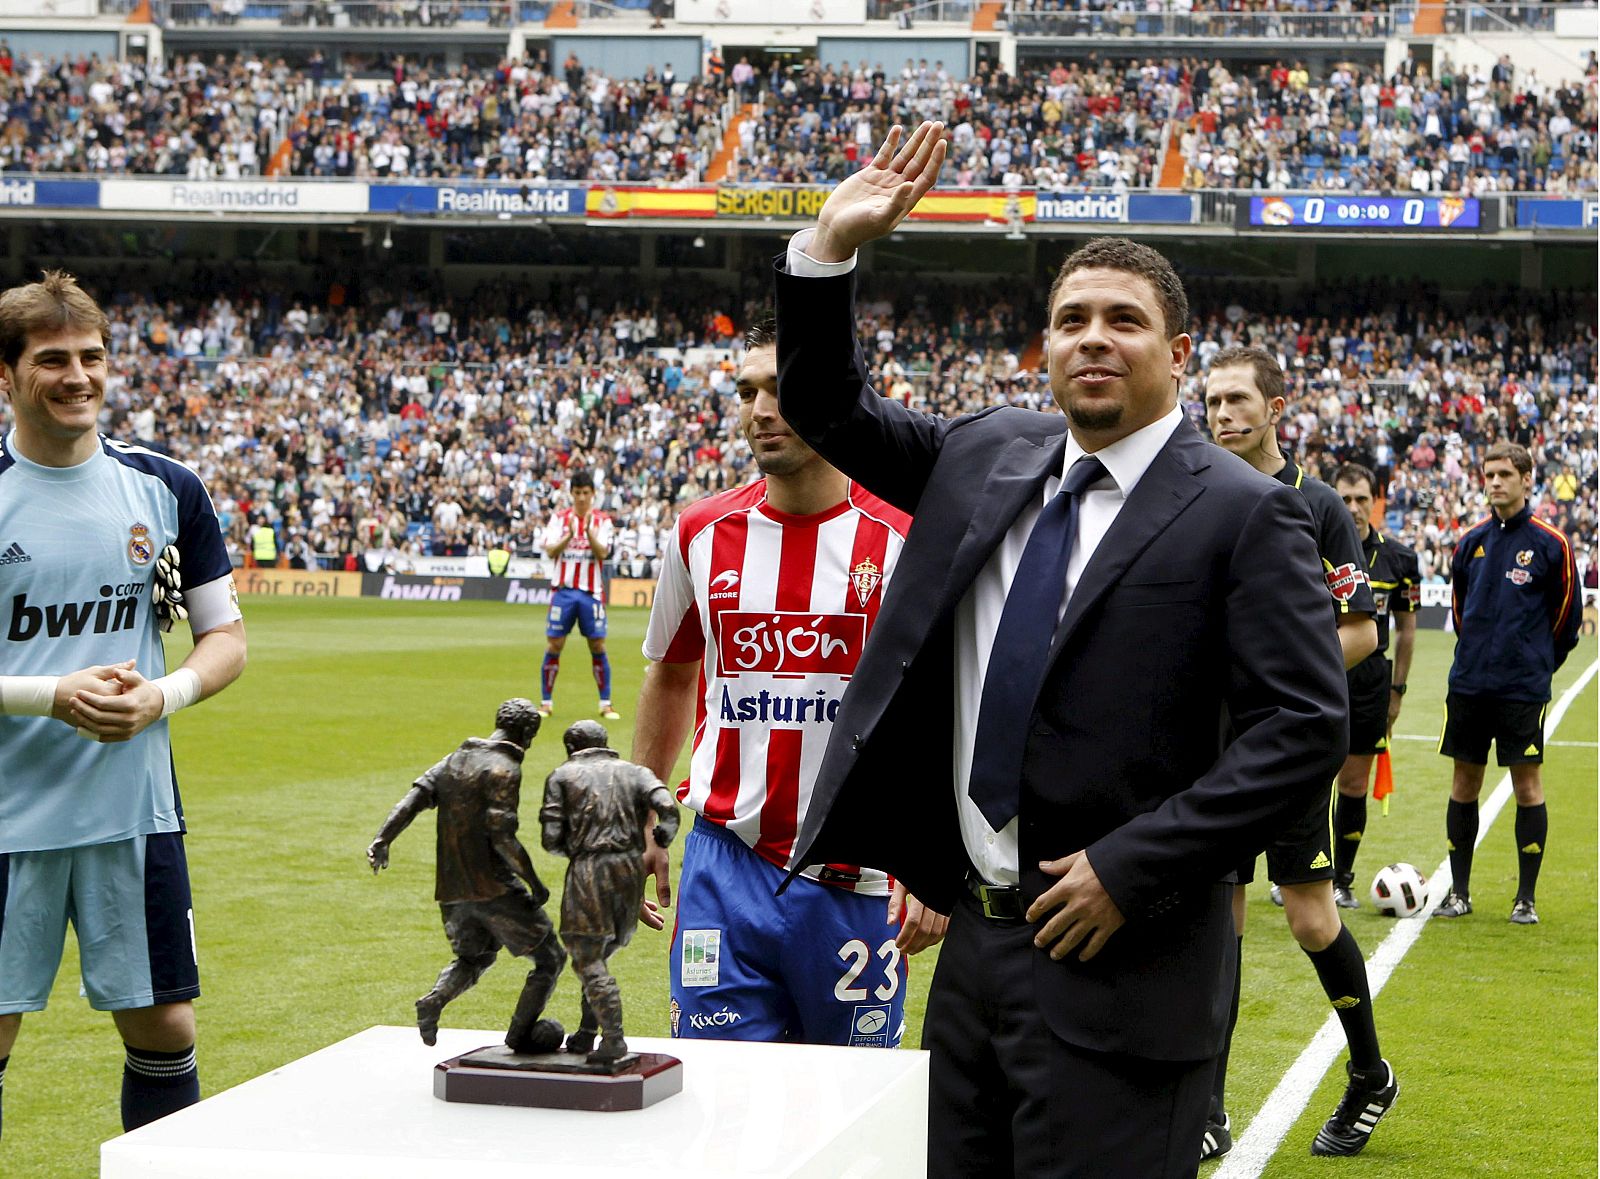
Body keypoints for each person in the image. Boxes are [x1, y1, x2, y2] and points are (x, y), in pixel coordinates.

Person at [774, 122, 1348, 1178]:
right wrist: (828, 251)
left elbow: (1304, 727)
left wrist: (1129, 868)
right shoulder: (985, 453)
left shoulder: (1245, 511)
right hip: (974, 952)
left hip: (1127, 966)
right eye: (1071, 320)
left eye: (1124, 321)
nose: (1093, 339)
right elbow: (824, 406)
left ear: (1178, 355)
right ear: (1044, 347)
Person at [633, 318, 946, 1049]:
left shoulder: (906, 536)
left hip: (859, 874)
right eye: (747, 392)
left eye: (783, 389)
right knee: (717, 1095)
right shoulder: (699, 533)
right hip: (723, 865)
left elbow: (945, 705)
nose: (761, 410)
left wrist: (936, 856)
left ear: (840, 394)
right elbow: (672, 674)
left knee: (849, 1102)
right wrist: (642, 808)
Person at [0, 270, 247, 1139]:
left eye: (92, 357)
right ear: (6, 374)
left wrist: (162, 696)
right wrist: (49, 695)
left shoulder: (166, 488)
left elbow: (226, 638)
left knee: (165, 1027)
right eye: (52, 359)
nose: (78, 376)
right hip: (8, 818)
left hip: (132, 811)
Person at [1203, 346, 1396, 1161]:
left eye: (1238, 399)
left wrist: (1278, 678)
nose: (1223, 414)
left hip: (1284, 742)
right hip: (1212, 745)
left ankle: (1370, 1073)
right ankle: (1208, 1102)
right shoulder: (1198, 493)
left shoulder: (1317, 505)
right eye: (1213, 400)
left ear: (1276, 407)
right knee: (1220, 920)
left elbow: (1361, 632)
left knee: (1311, 916)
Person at [366, 698, 568, 1055]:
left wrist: (383, 839)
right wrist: (534, 882)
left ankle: (435, 1000)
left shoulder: (456, 758)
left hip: (452, 888)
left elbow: (414, 798)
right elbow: (502, 835)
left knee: (475, 958)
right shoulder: (505, 768)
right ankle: (519, 1036)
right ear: (527, 733)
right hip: (494, 888)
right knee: (550, 958)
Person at [1434, 441, 1580, 925]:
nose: (1494, 482)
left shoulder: (1551, 544)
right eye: (1488, 474)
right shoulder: (1470, 542)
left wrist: (1535, 665)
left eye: (1504, 474)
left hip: (1522, 690)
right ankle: (1459, 893)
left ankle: (1525, 899)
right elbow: (1461, 611)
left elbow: (1567, 621)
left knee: (1527, 785)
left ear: (1526, 479)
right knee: (1464, 781)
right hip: (1469, 684)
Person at [540, 720, 678, 1064]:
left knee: (586, 955)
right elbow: (667, 806)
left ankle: (613, 1038)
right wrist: (662, 835)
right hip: (630, 870)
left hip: (591, 870)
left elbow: (551, 839)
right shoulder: (636, 773)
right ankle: (588, 1032)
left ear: (571, 748)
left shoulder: (563, 776)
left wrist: (580, 848)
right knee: (600, 954)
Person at [1330, 462, 1420, 905]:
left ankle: (1341, 880)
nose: (1353, 508)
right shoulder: (1310, 549)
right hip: (1319, 673)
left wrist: (1397, 691)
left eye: (1361, 499)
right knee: (1304, 780)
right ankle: (1294, 875)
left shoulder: (1400, 559)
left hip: (1370, 681)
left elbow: (1407, 630)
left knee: (1353, 783)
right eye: (1344, 499)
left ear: (1375, 501)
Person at [540, 469, 617, 720]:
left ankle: (605, 703)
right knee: (555, 644)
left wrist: (588, 533)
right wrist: (570, 535)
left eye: (585, 493)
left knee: (597, 644)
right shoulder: (559, 519)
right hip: (563, 591)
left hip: (591, 593)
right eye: (577, 493)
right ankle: (546, 702)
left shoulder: (602, 521)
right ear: (571, 494)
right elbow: (551, 551)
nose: (581, 498)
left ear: (592, 493)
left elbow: (602, 553)